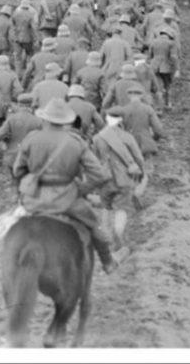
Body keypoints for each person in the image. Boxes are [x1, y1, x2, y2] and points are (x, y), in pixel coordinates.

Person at [12, 98, 125, 275]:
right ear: (66, 122)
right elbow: (100, 175)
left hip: (35, 199)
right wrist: (83, 189)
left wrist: (29, 182)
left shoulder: (31, 139)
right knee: (95, 227)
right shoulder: (76, 142)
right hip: (67, 198)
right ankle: (108, 262)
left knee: (13, 227)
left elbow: (18, 170)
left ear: (45, 119)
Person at [92, 106, 145, 243]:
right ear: (122, 120)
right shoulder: (127, 137)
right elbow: (138, 158)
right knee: (122, 208)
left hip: (105, 179)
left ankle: (106, 234)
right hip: (124, 179)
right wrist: (141, 174)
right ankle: (118, 231)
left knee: (106, 206)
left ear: (107, 119)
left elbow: (94, 159)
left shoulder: (97, 138)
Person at [0, 93, 42, 199]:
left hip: (12, 156)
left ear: (19, 104)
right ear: (31, 105)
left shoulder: (11, 119)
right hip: (31, 157)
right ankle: (25, 201)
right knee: (28, 180)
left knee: (15, 179)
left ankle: (14, 200)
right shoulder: (38, 121)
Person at [121, 84, 165, 190]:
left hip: (128, 144)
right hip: (145, 143)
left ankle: (131, 189)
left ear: (128, 96)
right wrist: (155, 138)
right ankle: (145, 189)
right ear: (141, 96)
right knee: (147, 169)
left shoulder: (123, 110)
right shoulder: (148, 109)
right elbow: (158, 129)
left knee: (129, 168)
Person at [148, 28, 180, 110]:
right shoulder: (171, 43)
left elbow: (149, 56)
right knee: (167, 85)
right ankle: (167, 103)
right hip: (166, 66)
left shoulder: (153, 42)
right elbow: (173, 57)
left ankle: (158, 105)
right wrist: (177, 69)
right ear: (169, 36)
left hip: (154, 66)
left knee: (157, 85)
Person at [11, 0, 39, 78]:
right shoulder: (31, 14)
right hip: (28, 38)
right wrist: (36, 39)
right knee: (29, 55)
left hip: (17, 38)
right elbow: (34, 28)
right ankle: (28, 73)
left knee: (17, 57)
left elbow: (13, 25)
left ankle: (18, 74)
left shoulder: (16, 13)